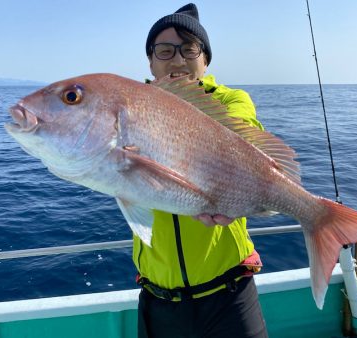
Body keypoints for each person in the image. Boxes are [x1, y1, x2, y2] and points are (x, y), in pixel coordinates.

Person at [134, 3, 268, 338]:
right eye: (165, 50)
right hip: (159, 299)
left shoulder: (231, 100)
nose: (177, 60)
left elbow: (243, 133)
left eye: (189, 49)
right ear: (150, 61)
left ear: (205, 60)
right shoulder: (129, 109)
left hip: (231, 295)